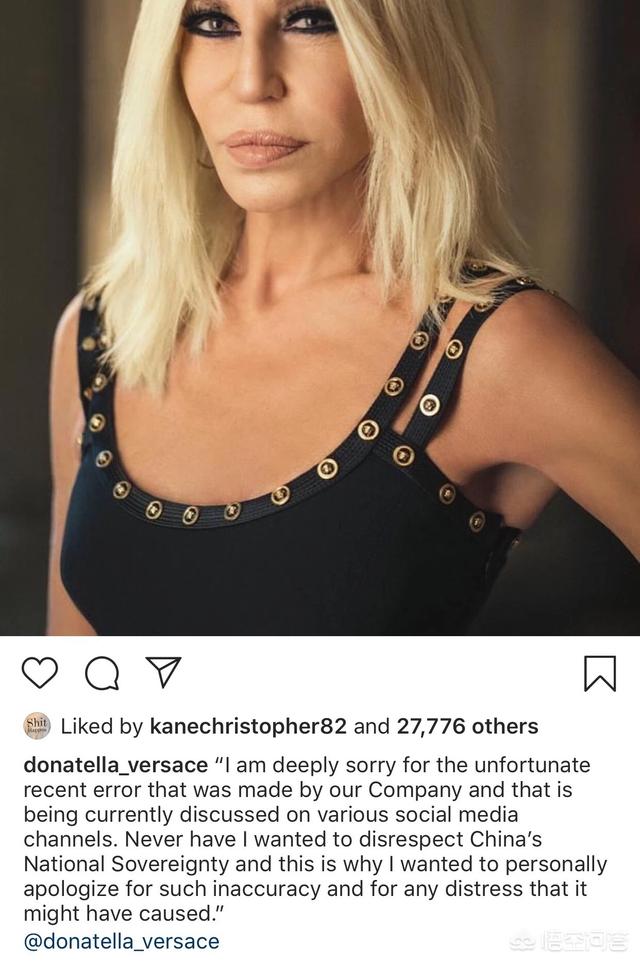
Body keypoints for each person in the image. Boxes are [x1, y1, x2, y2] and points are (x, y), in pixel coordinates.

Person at [47, 0, 640, 636]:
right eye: (213, 23)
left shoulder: (497, 349)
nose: (251, 82)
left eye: (311, 20)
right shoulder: (106, 330)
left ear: (401, 47)